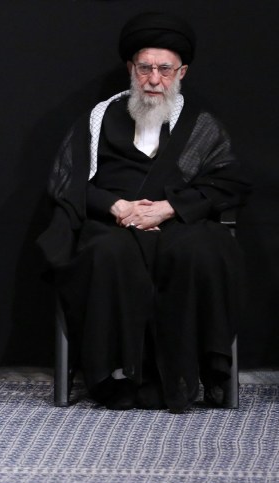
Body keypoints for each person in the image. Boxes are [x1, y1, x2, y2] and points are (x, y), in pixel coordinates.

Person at [37, 13, 251, 412]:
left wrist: (169, 209)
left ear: (181, 72)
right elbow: (66, 181)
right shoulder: (99, 119)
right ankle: (118, 377)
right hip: (113, 223)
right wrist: (117, 206)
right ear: (131, 69)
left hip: (177, 222)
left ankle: (189, 375)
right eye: (145, 68)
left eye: (164, 69)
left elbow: (228, 183)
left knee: (202, 251)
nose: (154, 79)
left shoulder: (200, 125)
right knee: (107, 253)